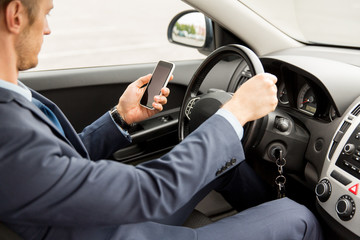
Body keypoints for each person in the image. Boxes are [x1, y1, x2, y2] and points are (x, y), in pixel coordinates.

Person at [0, 0, 324, 239]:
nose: (47, 28)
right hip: (106, 231)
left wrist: (120, 117)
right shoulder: (8, 129)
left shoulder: (11, 98)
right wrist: (234, 114)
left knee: (225, 161)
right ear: (16, 15)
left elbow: (54, 168)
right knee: (298, 217)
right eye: (46, 13)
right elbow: (151, 191)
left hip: (94, 218)